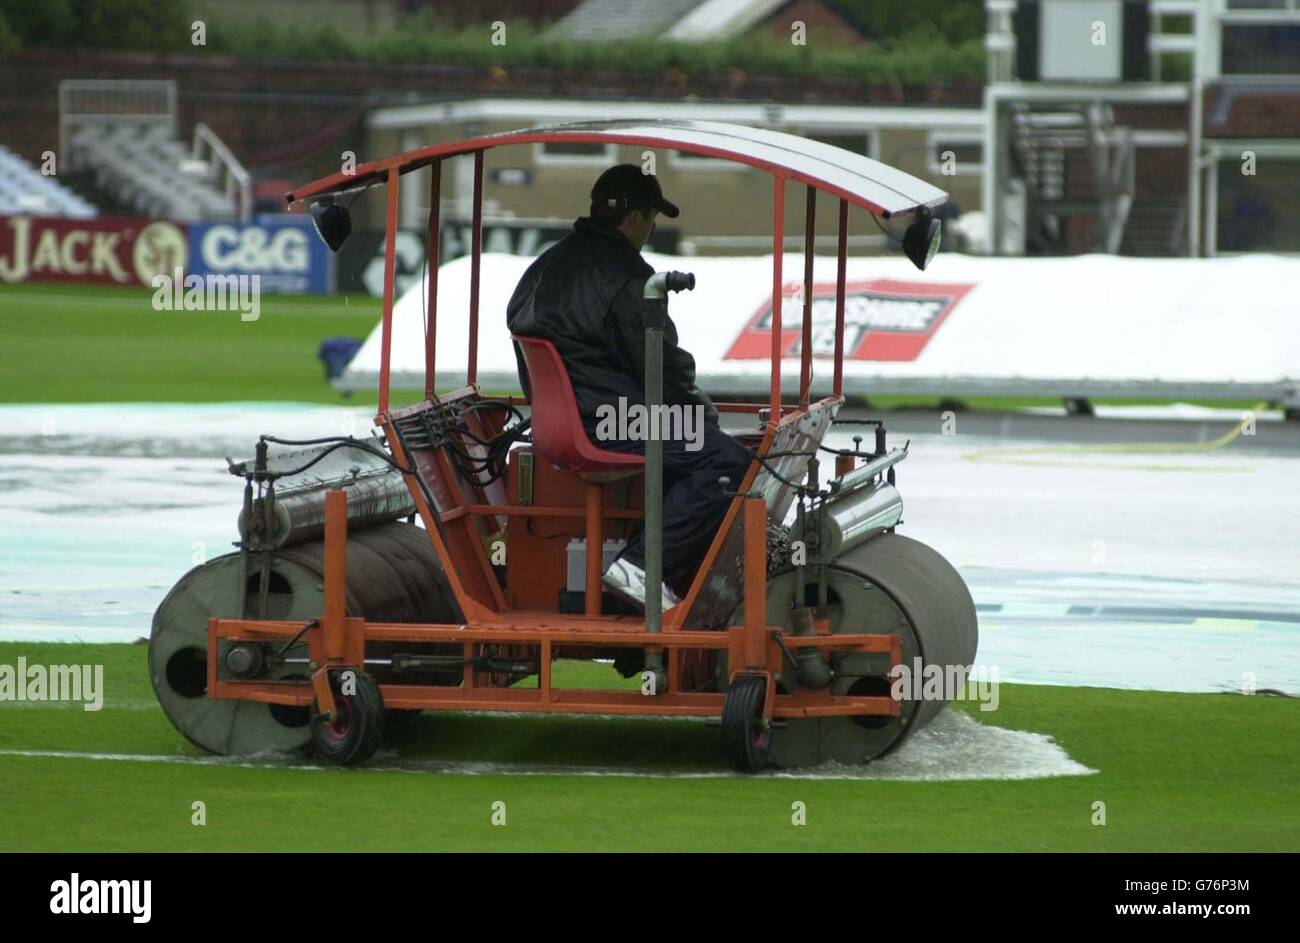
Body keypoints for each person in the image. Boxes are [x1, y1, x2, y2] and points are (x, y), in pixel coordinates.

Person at [507, 164, 753, 610]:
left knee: (687, 442)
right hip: (609, 421)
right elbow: (664, 370)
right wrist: (697, 407)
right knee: (726, 461)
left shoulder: (544, 266)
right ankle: (639, 567)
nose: (651, 230)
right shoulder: (628, 279)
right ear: (635, 218)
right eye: (652, 220)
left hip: (557, 423)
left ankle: (637, 579)